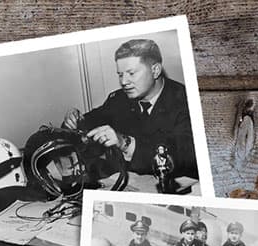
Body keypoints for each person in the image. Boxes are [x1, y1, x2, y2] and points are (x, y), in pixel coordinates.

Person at [63, 39, 198, 179]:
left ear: (155, 70)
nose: (123, 82)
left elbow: (184, 157)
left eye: (131, 73)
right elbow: (91, 121)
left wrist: (124, 143)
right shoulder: (120, 99)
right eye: (120, 74)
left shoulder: (186, 101)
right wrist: (75, 120)